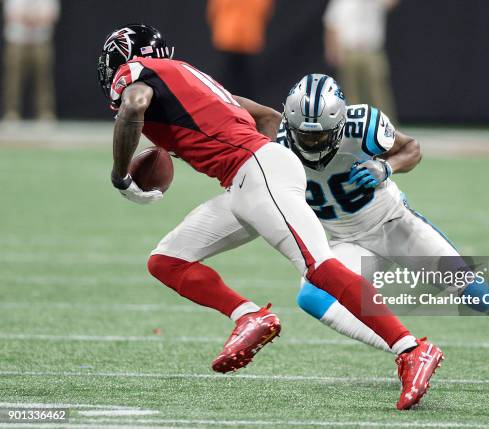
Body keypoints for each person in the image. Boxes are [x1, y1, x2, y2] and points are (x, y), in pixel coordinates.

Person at [97, 24, 443, 410]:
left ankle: (412, 348)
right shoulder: (186, 79)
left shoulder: (140, 74)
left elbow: (133, 106)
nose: (113, 74)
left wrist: (120, 174)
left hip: (255, 171)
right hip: (247, 180)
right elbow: (268, 117)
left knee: (319, 267)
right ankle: (248, 316)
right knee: (166, 261)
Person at [277, 73, 489, 394]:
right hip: (345, 241)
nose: (311, 143)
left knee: (475, 293)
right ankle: (410, 351)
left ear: (341, 123)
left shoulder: (363, 125)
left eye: (320, 136)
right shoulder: (275, 144)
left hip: (393, 225)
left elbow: (412, 148)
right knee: (311, 296)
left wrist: (387, 167)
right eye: (304, 135)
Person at [323, 0, 397, 122]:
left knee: (377, 93)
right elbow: (331, 24)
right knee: (351, 93)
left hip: (371, 51)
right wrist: (332, 50)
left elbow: (391, 3)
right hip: (349, 51)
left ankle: (386, 127)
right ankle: (353, 128)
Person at [2, 0, 60, 122]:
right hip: (16, 39)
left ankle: (45, 112)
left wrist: (34, 20)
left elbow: (52, 14)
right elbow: (9, 14)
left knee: (43, 78)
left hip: (41, 40)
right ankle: (11, 112)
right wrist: (27, 20)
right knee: (13, 78)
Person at [206, 0, 274, 99]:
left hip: (230, 36)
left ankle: (222, 101)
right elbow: (265, 11)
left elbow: (213, 10)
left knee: (230, 77)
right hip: (246, 36)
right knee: (243, 79)